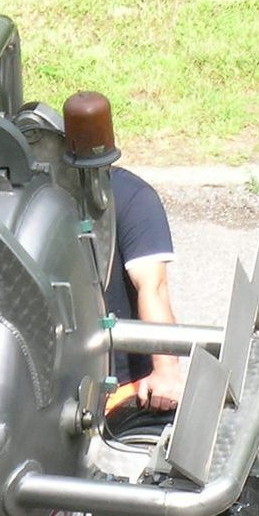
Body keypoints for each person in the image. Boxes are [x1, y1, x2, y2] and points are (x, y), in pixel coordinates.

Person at [104, 167, 185, 411]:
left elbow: (152, 288)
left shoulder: (0, 197)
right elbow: (153, 287)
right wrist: (166, 371)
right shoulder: (131, 194)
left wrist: (166, 368)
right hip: (115, 390)